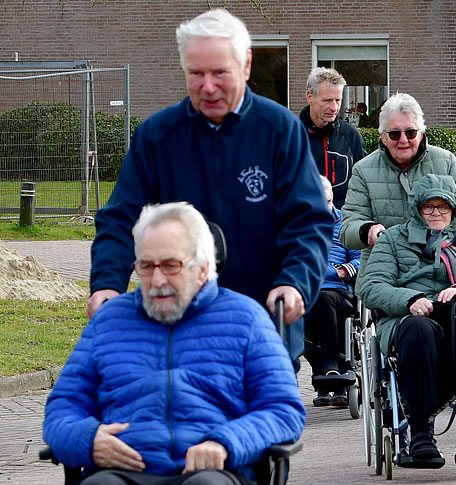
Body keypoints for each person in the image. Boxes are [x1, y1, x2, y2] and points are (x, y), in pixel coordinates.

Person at [43, 202, 306, 485]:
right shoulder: (109, 321)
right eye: (146, 266)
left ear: (203, 267)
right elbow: (63, 407)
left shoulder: (246, 319)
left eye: (170, 265)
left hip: (212, 475)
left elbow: (284, 410)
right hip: (124, 473)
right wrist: (87, 439)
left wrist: (225, 443)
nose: (157, 280)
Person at [88, 9, 333, 366]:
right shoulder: (157, 137)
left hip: (264, 326)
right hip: (179, 329)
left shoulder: (279, 131)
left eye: (219, 73)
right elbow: (120, 218)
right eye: (196, 74)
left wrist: (296, 282)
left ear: (246, 65)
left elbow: (308, 220)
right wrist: (107, 284)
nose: (207, 86)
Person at [357, 174, 456, 460]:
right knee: (417, 328)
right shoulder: (393, 239)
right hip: (410, 318)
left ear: (454, 208)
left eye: (443, 206)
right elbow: (371, 286)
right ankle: (420, 433)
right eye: (429, 207)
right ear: (417, 209)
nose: (436, 213)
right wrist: (409, 300)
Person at [340, 92, 456, 274]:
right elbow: (348, 226)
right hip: (383, 273)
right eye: (395, 134)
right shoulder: (363, 170)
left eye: (410, 133)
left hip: (441, 274)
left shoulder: (446, 161)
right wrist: (368, 231)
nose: (403, 140)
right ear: (382, 137)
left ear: (421, 133)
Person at [306, 175, 361, 407]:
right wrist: (330, 270)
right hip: (308, 289)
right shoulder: (300, 225)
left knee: (324, 298)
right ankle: (326, 382)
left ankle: (331, 366)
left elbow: (360, 258)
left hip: (338, 290)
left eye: (328, 201)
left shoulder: (345, 223)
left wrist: (343, 271)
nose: (326, 207)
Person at [300, 67, 367, 209]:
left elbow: (365, 182)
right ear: (309, 97)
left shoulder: (351, 135)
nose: (334, 108)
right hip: (303, 218)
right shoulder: (292, 136)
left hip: (345, 218)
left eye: (338, 100)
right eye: (327, 100)